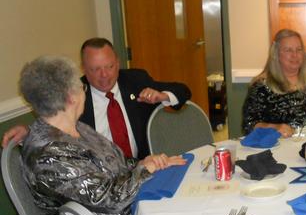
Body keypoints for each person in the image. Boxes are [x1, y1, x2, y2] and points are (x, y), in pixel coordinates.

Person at [18, 55, 186, 215]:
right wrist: (145, 170)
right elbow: (107, 198)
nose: (84, 92)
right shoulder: (50, 154)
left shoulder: (75, 128)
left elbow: (116, 162)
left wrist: (145, 162)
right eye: (82, 87)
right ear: (71, 98)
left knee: (182, 205)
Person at [2, 38, 191, 158]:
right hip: (103, 177)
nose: (104, 75)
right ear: (84, 68)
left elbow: (183, 90)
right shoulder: (75, 95)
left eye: (109, 67)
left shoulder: (136, 80)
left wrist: (162, 96)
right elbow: (54, 122)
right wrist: (28, 131)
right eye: (95, 69)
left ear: (117, 63)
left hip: (145, 166)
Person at [242, 29, 306, 136]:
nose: (294, 55)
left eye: (299, 49)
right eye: (288, 50)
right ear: (276, 54)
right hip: (279, 147)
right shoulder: (261, 86)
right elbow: (249, 124)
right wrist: (275, 127)